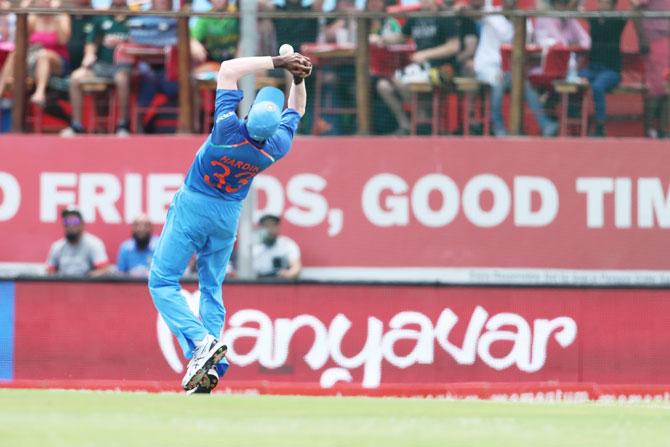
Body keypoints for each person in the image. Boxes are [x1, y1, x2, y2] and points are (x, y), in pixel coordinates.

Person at [148, 52, 312, 394]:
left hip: (194, 203)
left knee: (162, 281)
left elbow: (228, 69)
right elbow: (297, 110)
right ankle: (211, 367)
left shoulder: (227, 129)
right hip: (228, 216)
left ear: (248, 115)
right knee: (211, 286)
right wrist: (298, 79)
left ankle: (200, 343)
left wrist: (278, 63)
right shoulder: (275, 147)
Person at [376, 0, 478, 135]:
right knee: (384, 85)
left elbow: (454, 46)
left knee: (401, 80)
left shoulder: (445, 16)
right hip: (421, 69)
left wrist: (425, 54)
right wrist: (382, 39)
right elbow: (401, 37)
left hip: (446, 71)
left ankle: (423, 119)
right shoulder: (415, 17)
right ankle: (407, 125)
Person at [474, 0, 558, 136]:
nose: (509, 2)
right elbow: (475, 14)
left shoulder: (522, 19)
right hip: (488, 66)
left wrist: (516, 22)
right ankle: (498, 128)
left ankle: (545, 124)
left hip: (510, 69)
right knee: (498, 80)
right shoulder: (492, 14)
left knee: (524, 84)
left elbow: (529, 42)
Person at [60, 0, 131, 136]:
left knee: (122, 79)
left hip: (123, 66)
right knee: (75, 78)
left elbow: (139, 41)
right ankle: (76, 125)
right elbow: (91, 42)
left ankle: (123, 125)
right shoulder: (101, 17)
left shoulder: (133, 18)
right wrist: (89, 56)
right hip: (101, 65)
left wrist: (122, 42)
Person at [580, 0, 642, 137]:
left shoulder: (618, 20)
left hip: (611, 71)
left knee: (597, 87)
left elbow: (633, 8)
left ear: (613, 6)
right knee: (573, 80)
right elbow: (576, 11)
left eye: (605, 3)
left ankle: (600, 126)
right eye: (599, 3)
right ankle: (576, 123)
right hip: (592, 70)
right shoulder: (594, 19)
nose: (601, 6)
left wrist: (635, 3)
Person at [0, 0, 70, 107]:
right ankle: (1, 90)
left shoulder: (62, 17)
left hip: (57, 62)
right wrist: (25, 9)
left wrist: (55, 15)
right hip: (34, 59)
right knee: (15, 53)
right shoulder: (33, 19)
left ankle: (40, 93)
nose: (46, 2)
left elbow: (63, 40)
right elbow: (20, 40)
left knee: (43, 55)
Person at [632, 0, 670, 138]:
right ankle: (649, 130)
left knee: (668, 88)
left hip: (667, 41)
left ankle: (665, 131)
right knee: (656, 88)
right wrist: (642, 38)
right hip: (654, 41)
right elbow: (634, 9)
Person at [46, 206, 111, 277]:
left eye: (74, 221)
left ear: (82, 224)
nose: (71, 225)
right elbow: (49, 272)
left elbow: (104, 270)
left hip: (87, 286)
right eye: (67, 221)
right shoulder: (57, 247)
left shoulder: (94, 244)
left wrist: (85, 278)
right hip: (63, 286)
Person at [190, 0, 239, 67]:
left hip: (236, 62)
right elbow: (193, 37)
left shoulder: (238, 13)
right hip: (214, 63)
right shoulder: (206, 17)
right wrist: (194, 43)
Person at [252, 214, 302, 279]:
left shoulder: (287, 244)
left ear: (278, 228)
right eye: (266, 226)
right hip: (257, 282)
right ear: (260, 228)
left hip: (280, 282)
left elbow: (296, 268)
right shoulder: (252, 246)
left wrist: (288, 274)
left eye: (273, 225)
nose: (269, 230)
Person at [116, 214, 158, 278]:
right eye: (136, 225)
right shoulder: (125, 248)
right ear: (132, 228)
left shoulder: (159, 247)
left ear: (151, 228)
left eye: (145, 225)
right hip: (131, 286)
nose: (141, 229)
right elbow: (120, 274)